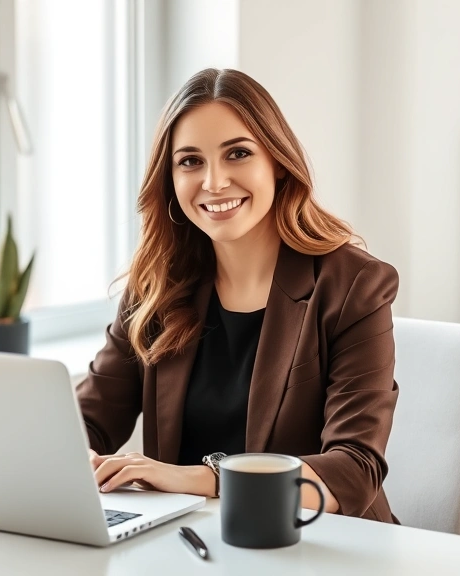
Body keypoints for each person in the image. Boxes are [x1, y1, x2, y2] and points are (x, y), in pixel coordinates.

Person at [76, 68, 400, 524]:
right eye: (190, 161)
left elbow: (354, 469)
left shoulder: (354, 286)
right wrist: (74, 456)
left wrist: (204, 478)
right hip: (192, 543)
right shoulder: (156, 286)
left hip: (321, 544)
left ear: (277, 162)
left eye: (238, 154)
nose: (213, 182)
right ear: (169, 180)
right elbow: (89, 418)